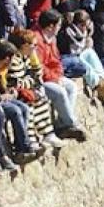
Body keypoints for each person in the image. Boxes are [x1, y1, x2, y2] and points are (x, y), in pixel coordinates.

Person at [34, 11, 86, 141]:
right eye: (58, 25)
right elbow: (38, 67)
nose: (59, 28)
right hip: (38, 80)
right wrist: (54, 78)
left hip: (52, 76)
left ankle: (63, 124)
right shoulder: (36, 40)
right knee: (59, 92)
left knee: (71, 87)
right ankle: (71, 123)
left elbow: (56, 61)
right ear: (50, 26)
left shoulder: (52, 38)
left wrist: (58, 76)